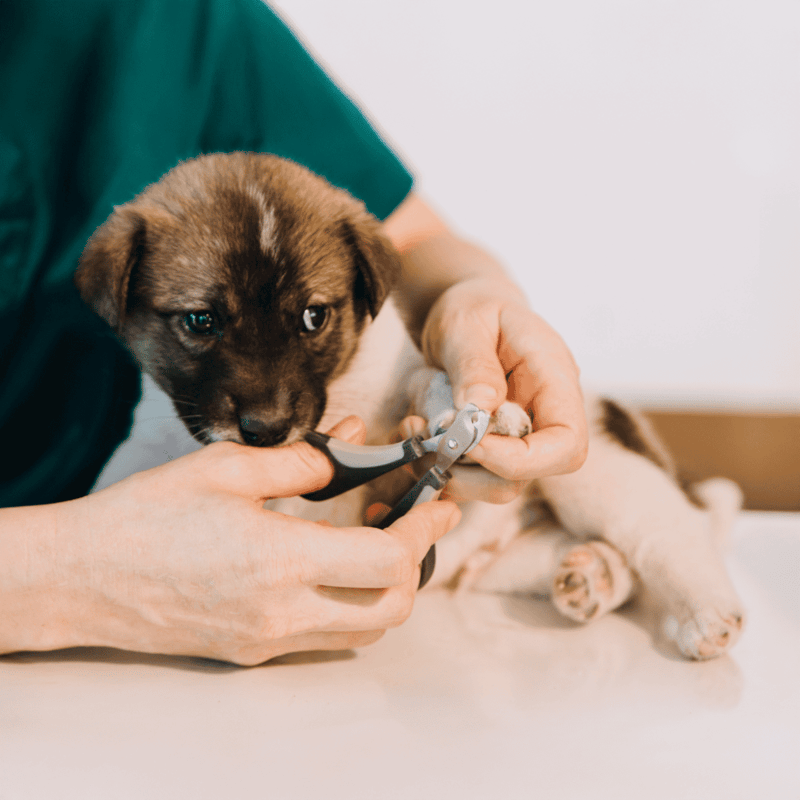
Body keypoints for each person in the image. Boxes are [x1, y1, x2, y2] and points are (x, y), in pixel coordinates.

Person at [0, 0, 587, 664]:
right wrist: (70, 576)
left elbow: (407, 242)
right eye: (200, 322)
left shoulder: (171, 22)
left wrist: (474, 299)